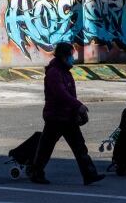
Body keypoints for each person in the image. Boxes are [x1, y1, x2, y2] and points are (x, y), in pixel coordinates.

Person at [28, 42, 105, 186]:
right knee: (46, 147)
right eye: (71, 55)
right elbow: (61, 94)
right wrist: (78, 106)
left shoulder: (65, 71)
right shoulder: (54, 73)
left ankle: (89, 174)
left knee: (79, 146)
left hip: (67, 116)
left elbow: (70, 95)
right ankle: (35, 172)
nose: (73, 58)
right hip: (55, 117)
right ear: (64, 57)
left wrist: (77, 111)